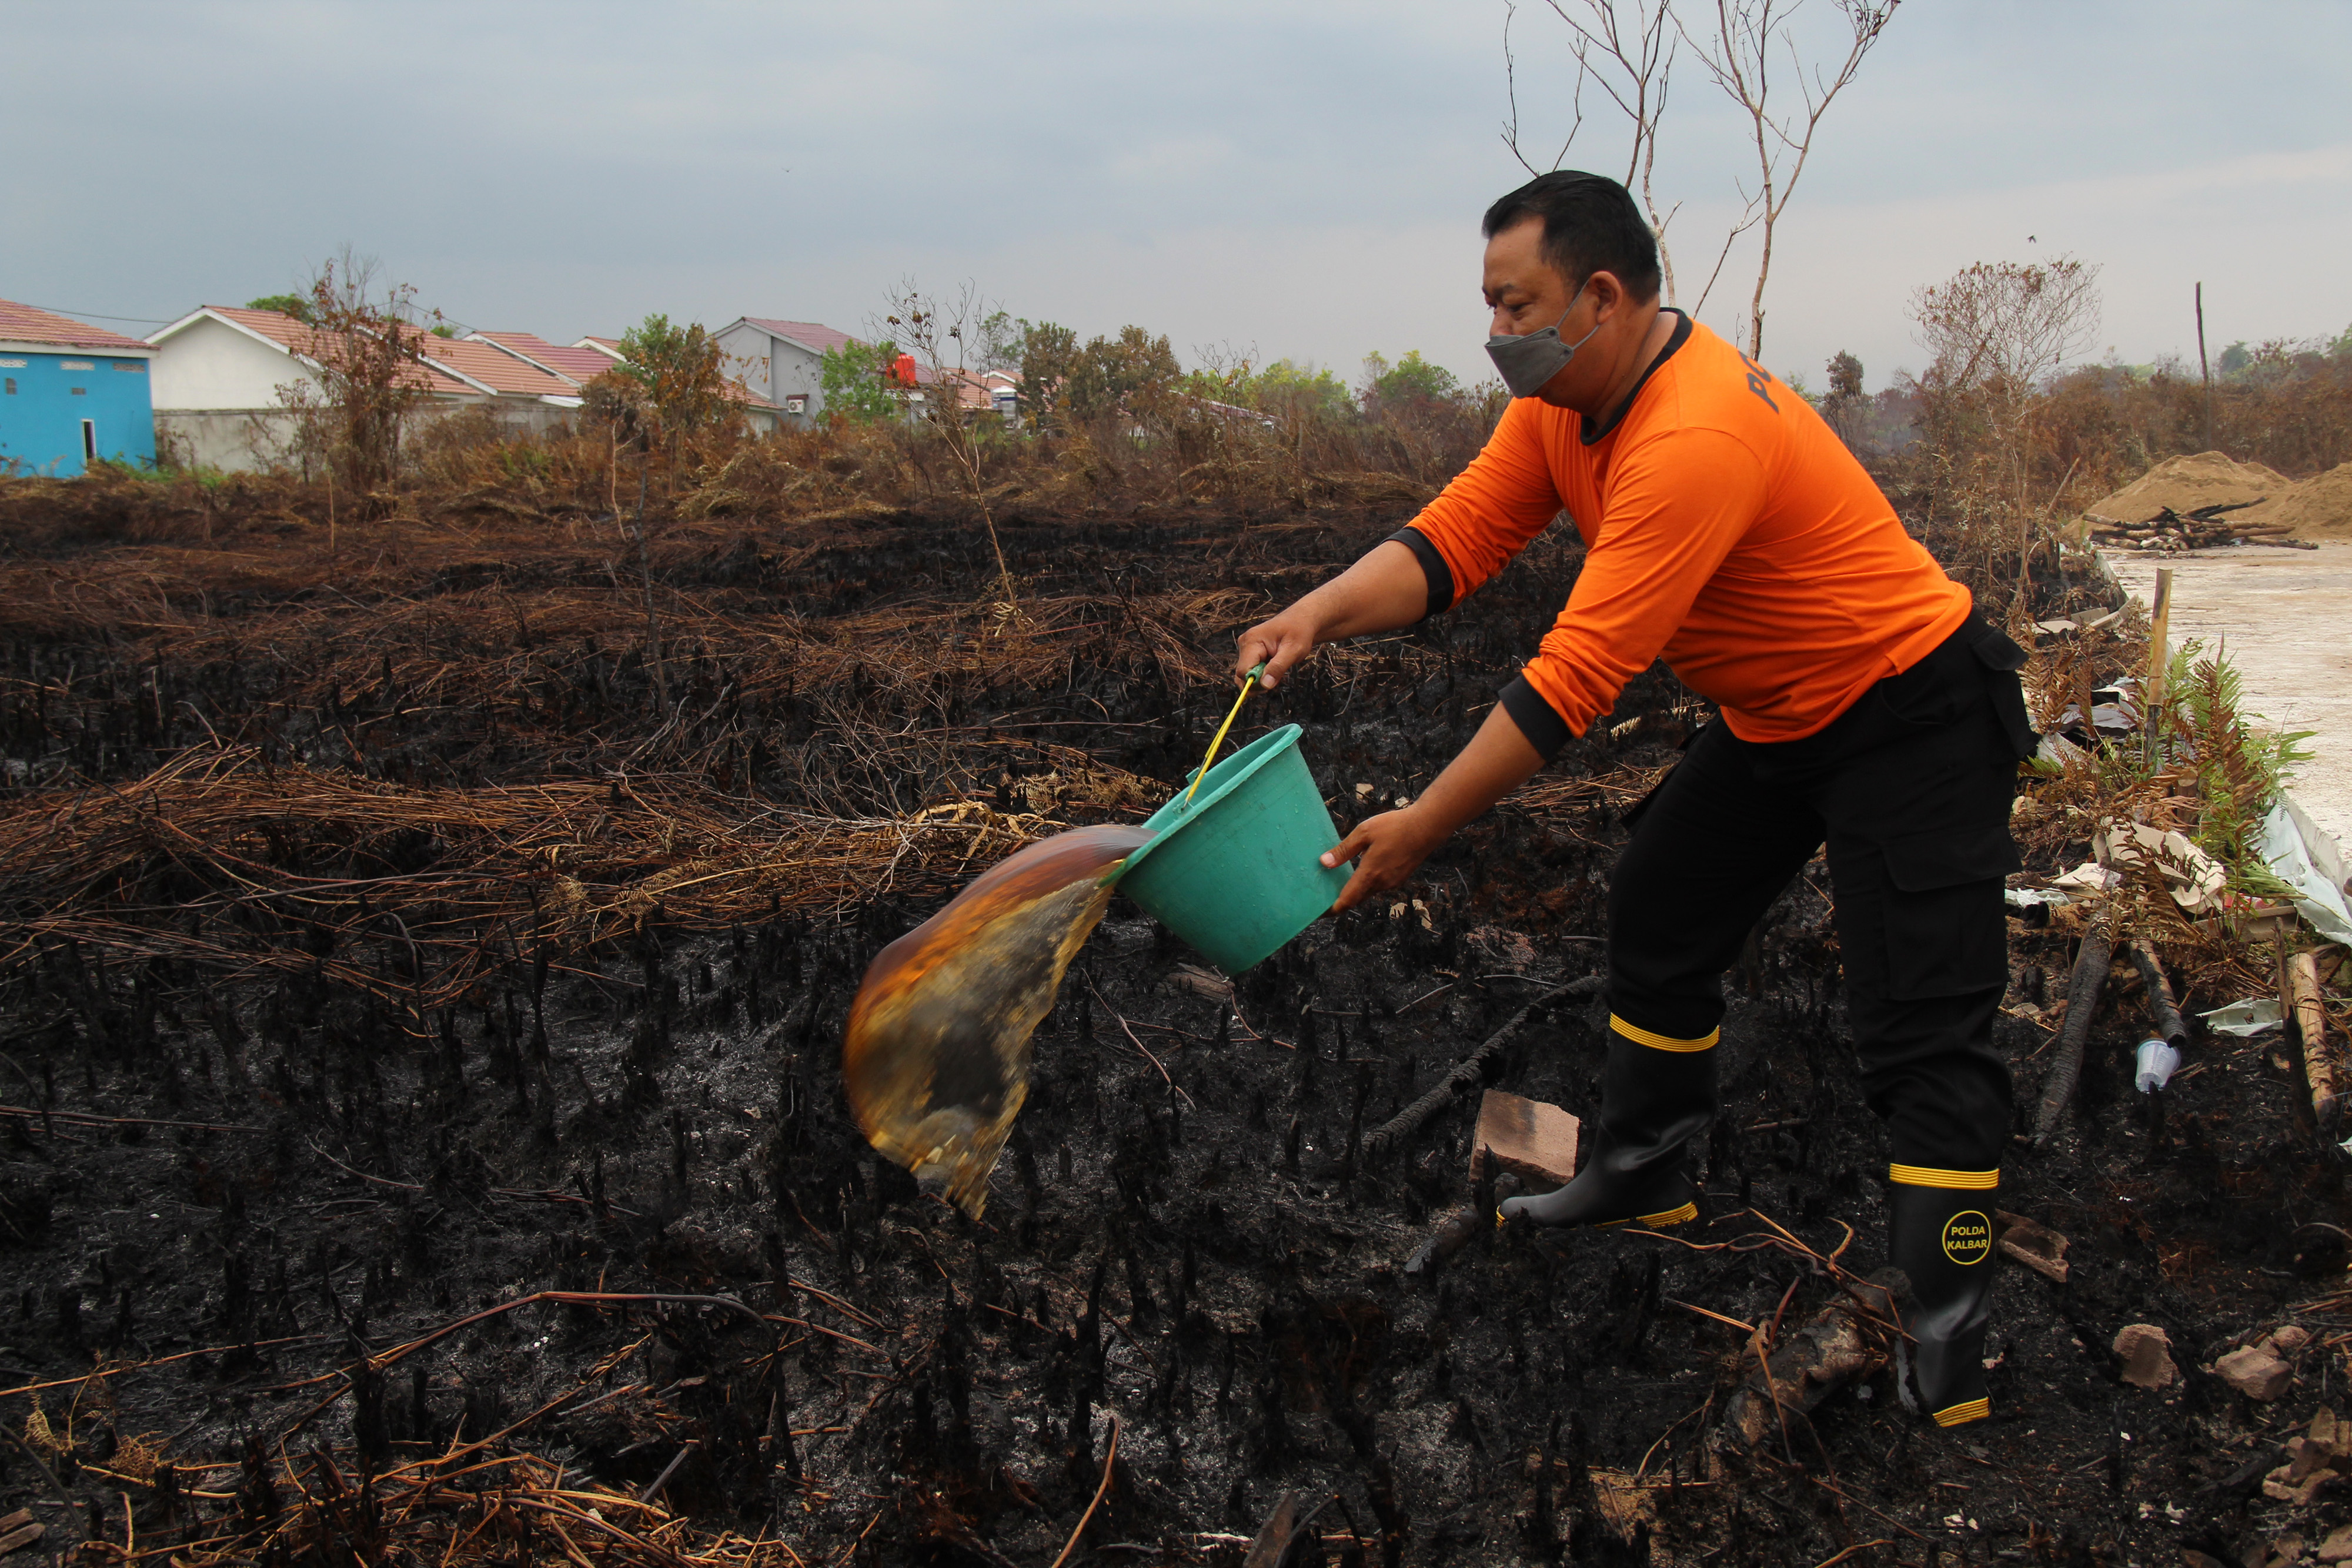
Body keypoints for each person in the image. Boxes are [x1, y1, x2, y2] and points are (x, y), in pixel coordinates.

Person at [1231, 170, 2035, 1430]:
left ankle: (1950, 1338)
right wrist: (1317, 611)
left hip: (1907, 713)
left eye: (1517, 305)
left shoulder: (1693, 430)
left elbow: (1574, 678)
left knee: (1919, 1024)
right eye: (1488, 307)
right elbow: (1454, 541)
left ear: (1599, 296)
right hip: (1779, 718)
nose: (1497, 334)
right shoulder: (1565, 400)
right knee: (1660, 900)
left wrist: (1425, 823)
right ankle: (1639, 1170)